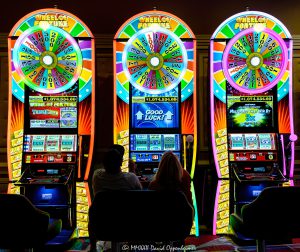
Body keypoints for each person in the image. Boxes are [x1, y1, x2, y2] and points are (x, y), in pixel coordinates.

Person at [90, 148, 142, 251]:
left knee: (92, 212)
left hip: (102, 225)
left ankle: (93, 248)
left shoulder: (97, 176)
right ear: (121, 163)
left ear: (103, 164)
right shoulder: (131, 178)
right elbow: (139, 195)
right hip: (128, 225)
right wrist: (132, 170)